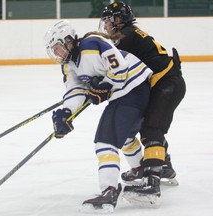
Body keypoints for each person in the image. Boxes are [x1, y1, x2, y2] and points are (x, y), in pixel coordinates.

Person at [44, 20, 153, 212]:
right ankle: (141, 169)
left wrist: (106, 86)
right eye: (55, 51)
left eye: (59, 48)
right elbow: (76, 91)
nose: (58, 53)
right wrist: (66, 113)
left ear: (68, 40)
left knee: (105, 142)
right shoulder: (69, 65)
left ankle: (109, 192)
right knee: (125, 137)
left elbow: (119, 67)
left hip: (133, 89)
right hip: (130, 94)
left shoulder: (91, 44)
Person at [99, 1, 186, 205]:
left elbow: (114, 70)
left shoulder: (125, 37)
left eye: (109, 21)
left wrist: (98, 84)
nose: (106, 26)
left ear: (119, 20)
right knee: (147, 125)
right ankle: (164, 167)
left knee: (151, 129)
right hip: (165, 82)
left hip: (167, 82)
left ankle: (151, 182)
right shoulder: (129, 33)